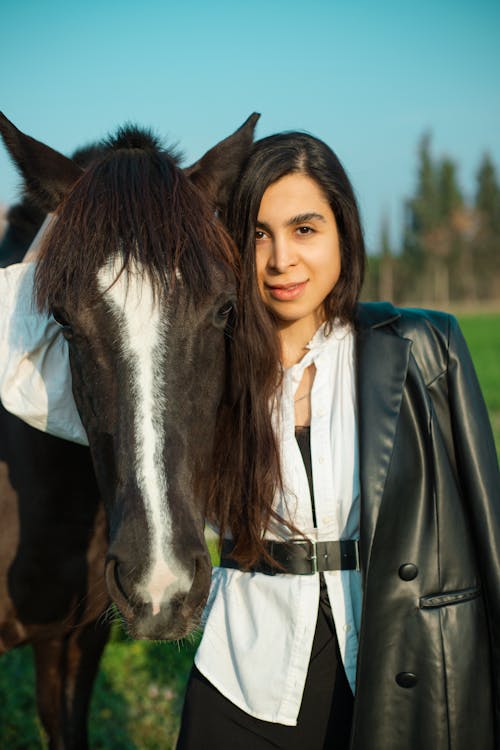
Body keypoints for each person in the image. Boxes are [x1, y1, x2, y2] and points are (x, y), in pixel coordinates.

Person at [1, 131, 499, 750]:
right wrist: (82, 214)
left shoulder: (424, 347)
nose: (281, 258)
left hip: (392, 661)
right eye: (259, 234)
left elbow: (486, 525)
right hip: (245, 673)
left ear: (346, 231)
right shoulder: (208, 364)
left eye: (306, 229)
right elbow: (25, 357)